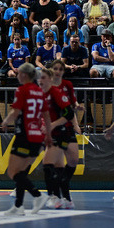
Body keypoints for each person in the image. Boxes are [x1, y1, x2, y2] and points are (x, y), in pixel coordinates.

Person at [0, 63, 51, 216]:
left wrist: (5, 122)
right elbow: (46, 116)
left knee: (12, 172)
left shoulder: (22, 90)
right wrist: (48, 135)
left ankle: (38, 195)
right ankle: (18, 206)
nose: (16, 76)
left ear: (25, 75)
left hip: (25, 135)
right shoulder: (40, 92)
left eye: (19, 73)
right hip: (38, 137)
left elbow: (15, 112)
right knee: (21, 171)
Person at [42, 60, 81, 209]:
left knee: (72, 161)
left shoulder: (60, 90)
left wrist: (75, 124)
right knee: (50, 164)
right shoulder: (44, 91)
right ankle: (56, 196)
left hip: (66, 129)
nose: (57, 72)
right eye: (55, 69)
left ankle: (63, 194)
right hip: (55, 134)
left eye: (60, 69)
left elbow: (69, 110)